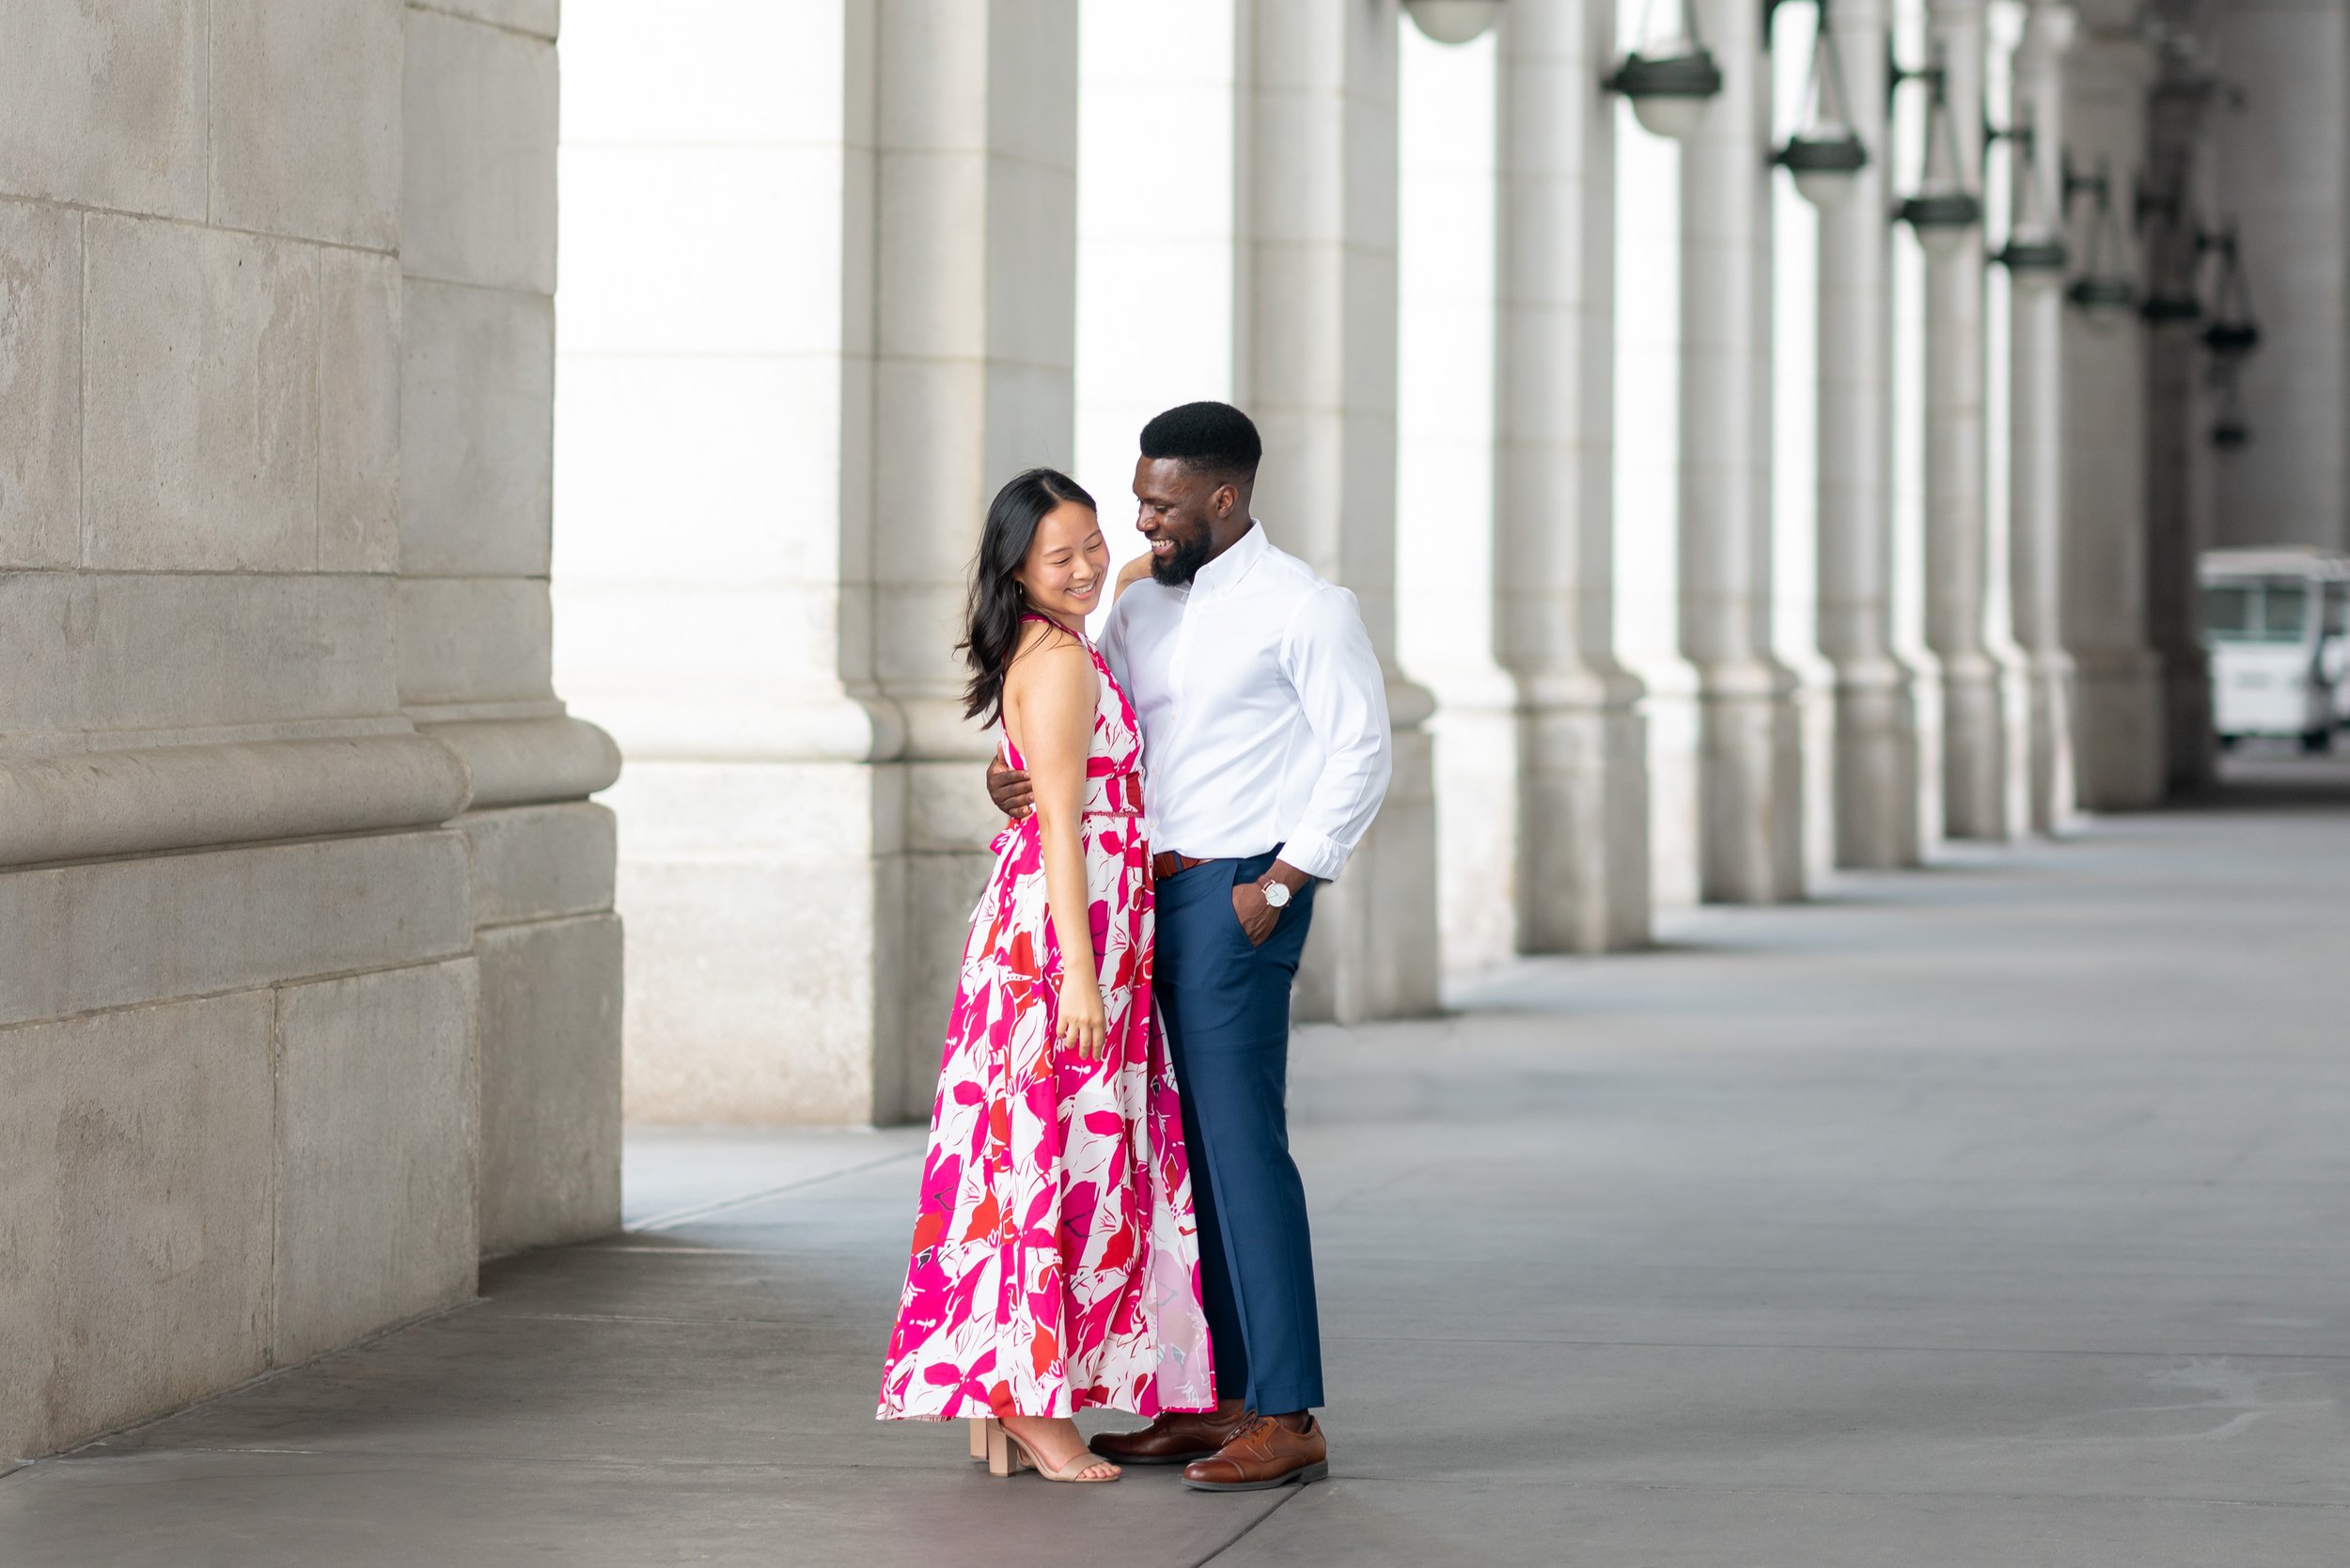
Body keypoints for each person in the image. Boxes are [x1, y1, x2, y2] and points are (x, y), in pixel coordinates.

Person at [989, 402, 1393, 1491]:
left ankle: (1285, 1410)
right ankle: (1201, 1397)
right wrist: (1008, 772)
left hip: (1231, 900)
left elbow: (1361, 751)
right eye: (1137, 504)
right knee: (1168, 1154)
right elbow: (1096, 726)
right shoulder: (1140, 609)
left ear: (1223, 496)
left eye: (1160, 506)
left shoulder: (1304, 607)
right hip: (1131, 905)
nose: (1142, 524)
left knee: (1239, 1148)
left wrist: (1281, 882)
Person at [877, 468, 1214, 1483]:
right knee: (1040, 1153)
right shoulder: (1059, 663)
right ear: (1018, 568)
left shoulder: (1057, 641)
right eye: (1058, 555)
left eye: (1092, 544)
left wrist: (1161, 554)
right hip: (1064, 934)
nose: (1084, 566)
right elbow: (1062, 826)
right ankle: (1028, 1401)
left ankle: (1025, 1382)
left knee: (1043, 1147)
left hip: (1081, 922)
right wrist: (1079, 974)